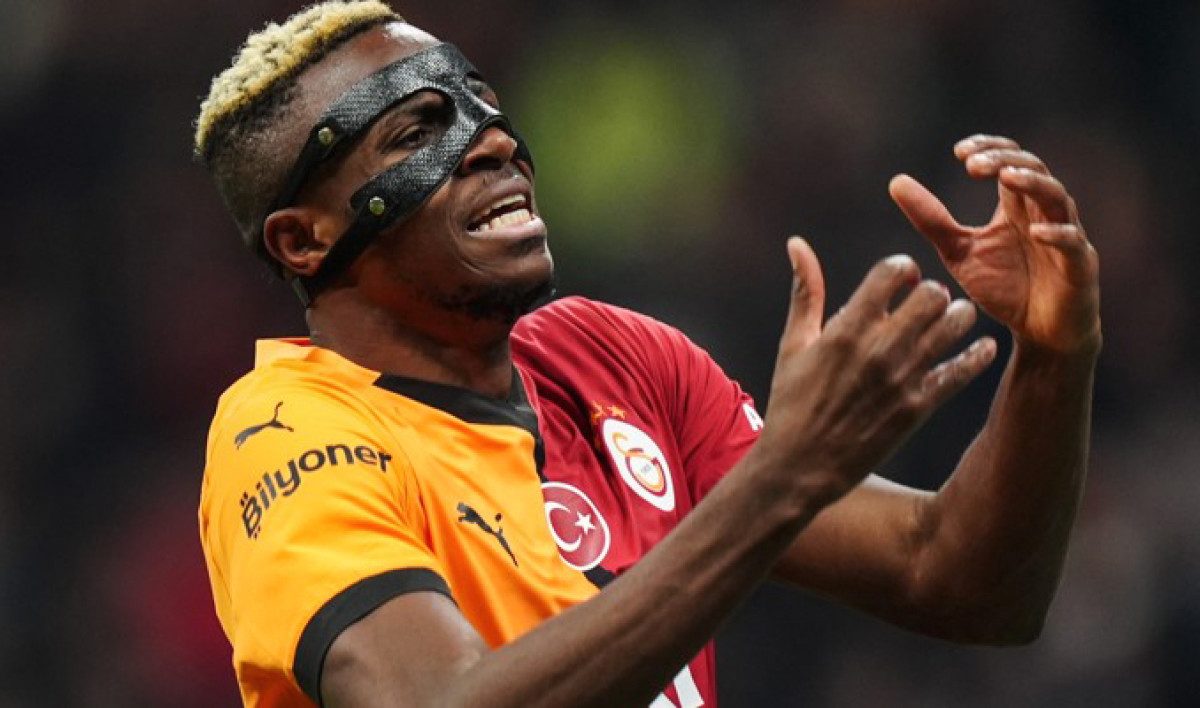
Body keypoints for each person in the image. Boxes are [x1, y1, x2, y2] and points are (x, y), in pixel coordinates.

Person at [194, 2, 1101, 706]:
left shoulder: (615, 358)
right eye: (417, 133)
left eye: (485, 106)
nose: (493, 141)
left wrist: (1055, 354)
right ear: (304, 240)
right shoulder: (286, 433)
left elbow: (967, 583)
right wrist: (775, 484)